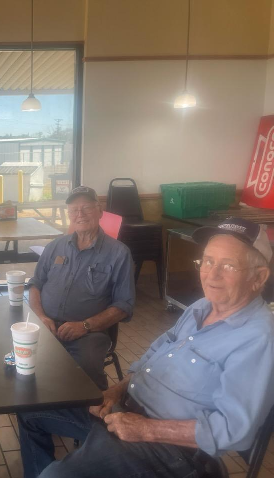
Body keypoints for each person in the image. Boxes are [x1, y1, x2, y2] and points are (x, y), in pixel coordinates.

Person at [18, 217, 274, 478]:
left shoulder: (259, 338)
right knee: (31, 413)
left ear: (258, 277)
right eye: (208, 261)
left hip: (167, 450)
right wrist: (116, 391)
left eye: (229, 265)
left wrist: (145, 429)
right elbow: (154, 355)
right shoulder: (201, 307)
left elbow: (234, 431)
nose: (212, 274)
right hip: (124, 412)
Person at [27, 186, 135, 390]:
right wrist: (41, 318)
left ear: (100, 210)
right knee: (22, 362)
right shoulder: (55, 246)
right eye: (74, 209)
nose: (80, 214)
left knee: (83, 373)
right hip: (46, 325)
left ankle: (89, 413)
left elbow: (124, 304)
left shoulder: (118, 253)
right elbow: (35, 284)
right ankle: (37, 413)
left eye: (86, 207)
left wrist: (84, 326)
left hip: (89, 333)